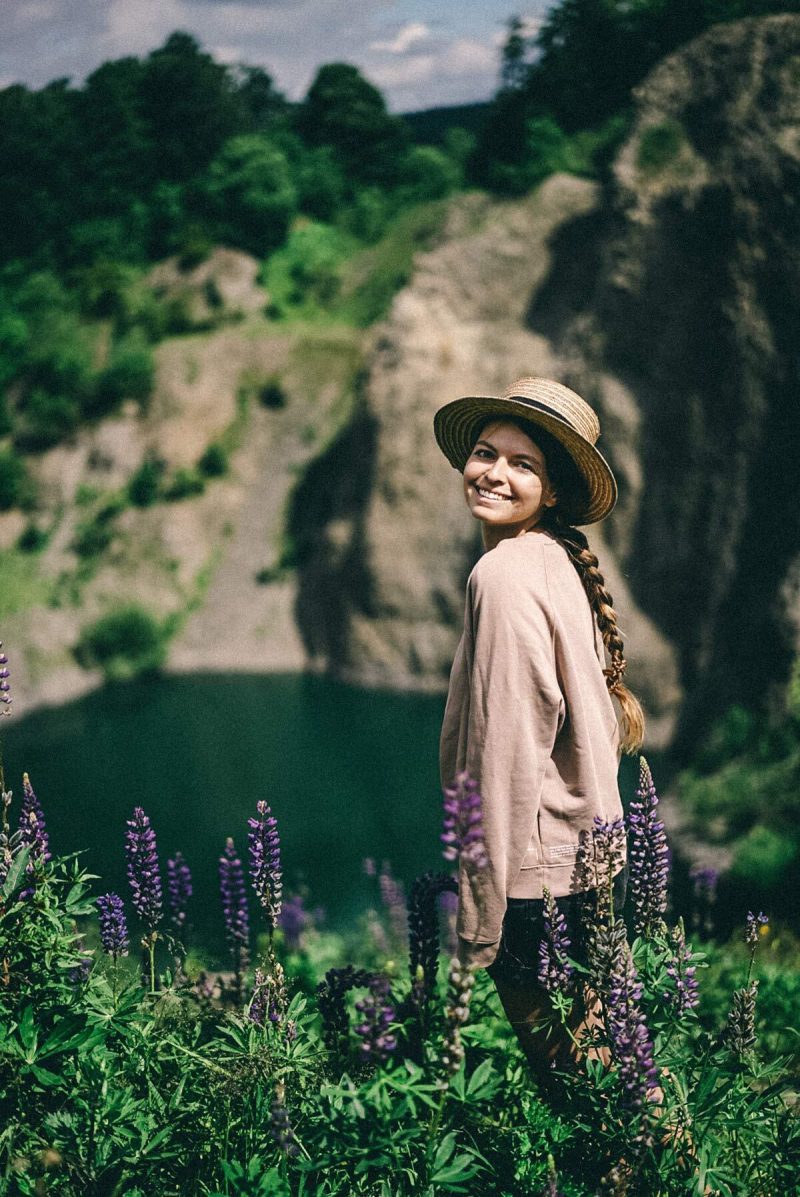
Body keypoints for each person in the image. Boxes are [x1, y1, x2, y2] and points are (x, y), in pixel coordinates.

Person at [433, 375, 645, 1097]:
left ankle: (651, 1157)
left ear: (552, 491)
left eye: (522, 464)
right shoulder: (557, 561)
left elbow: (507, 753)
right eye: (485, 453)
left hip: (533, 878)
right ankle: (676, 1154)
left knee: (575, 1080)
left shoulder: (502, 574)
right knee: (622, 1064)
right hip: (591, 860)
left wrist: (480, 913)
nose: (494, 472)